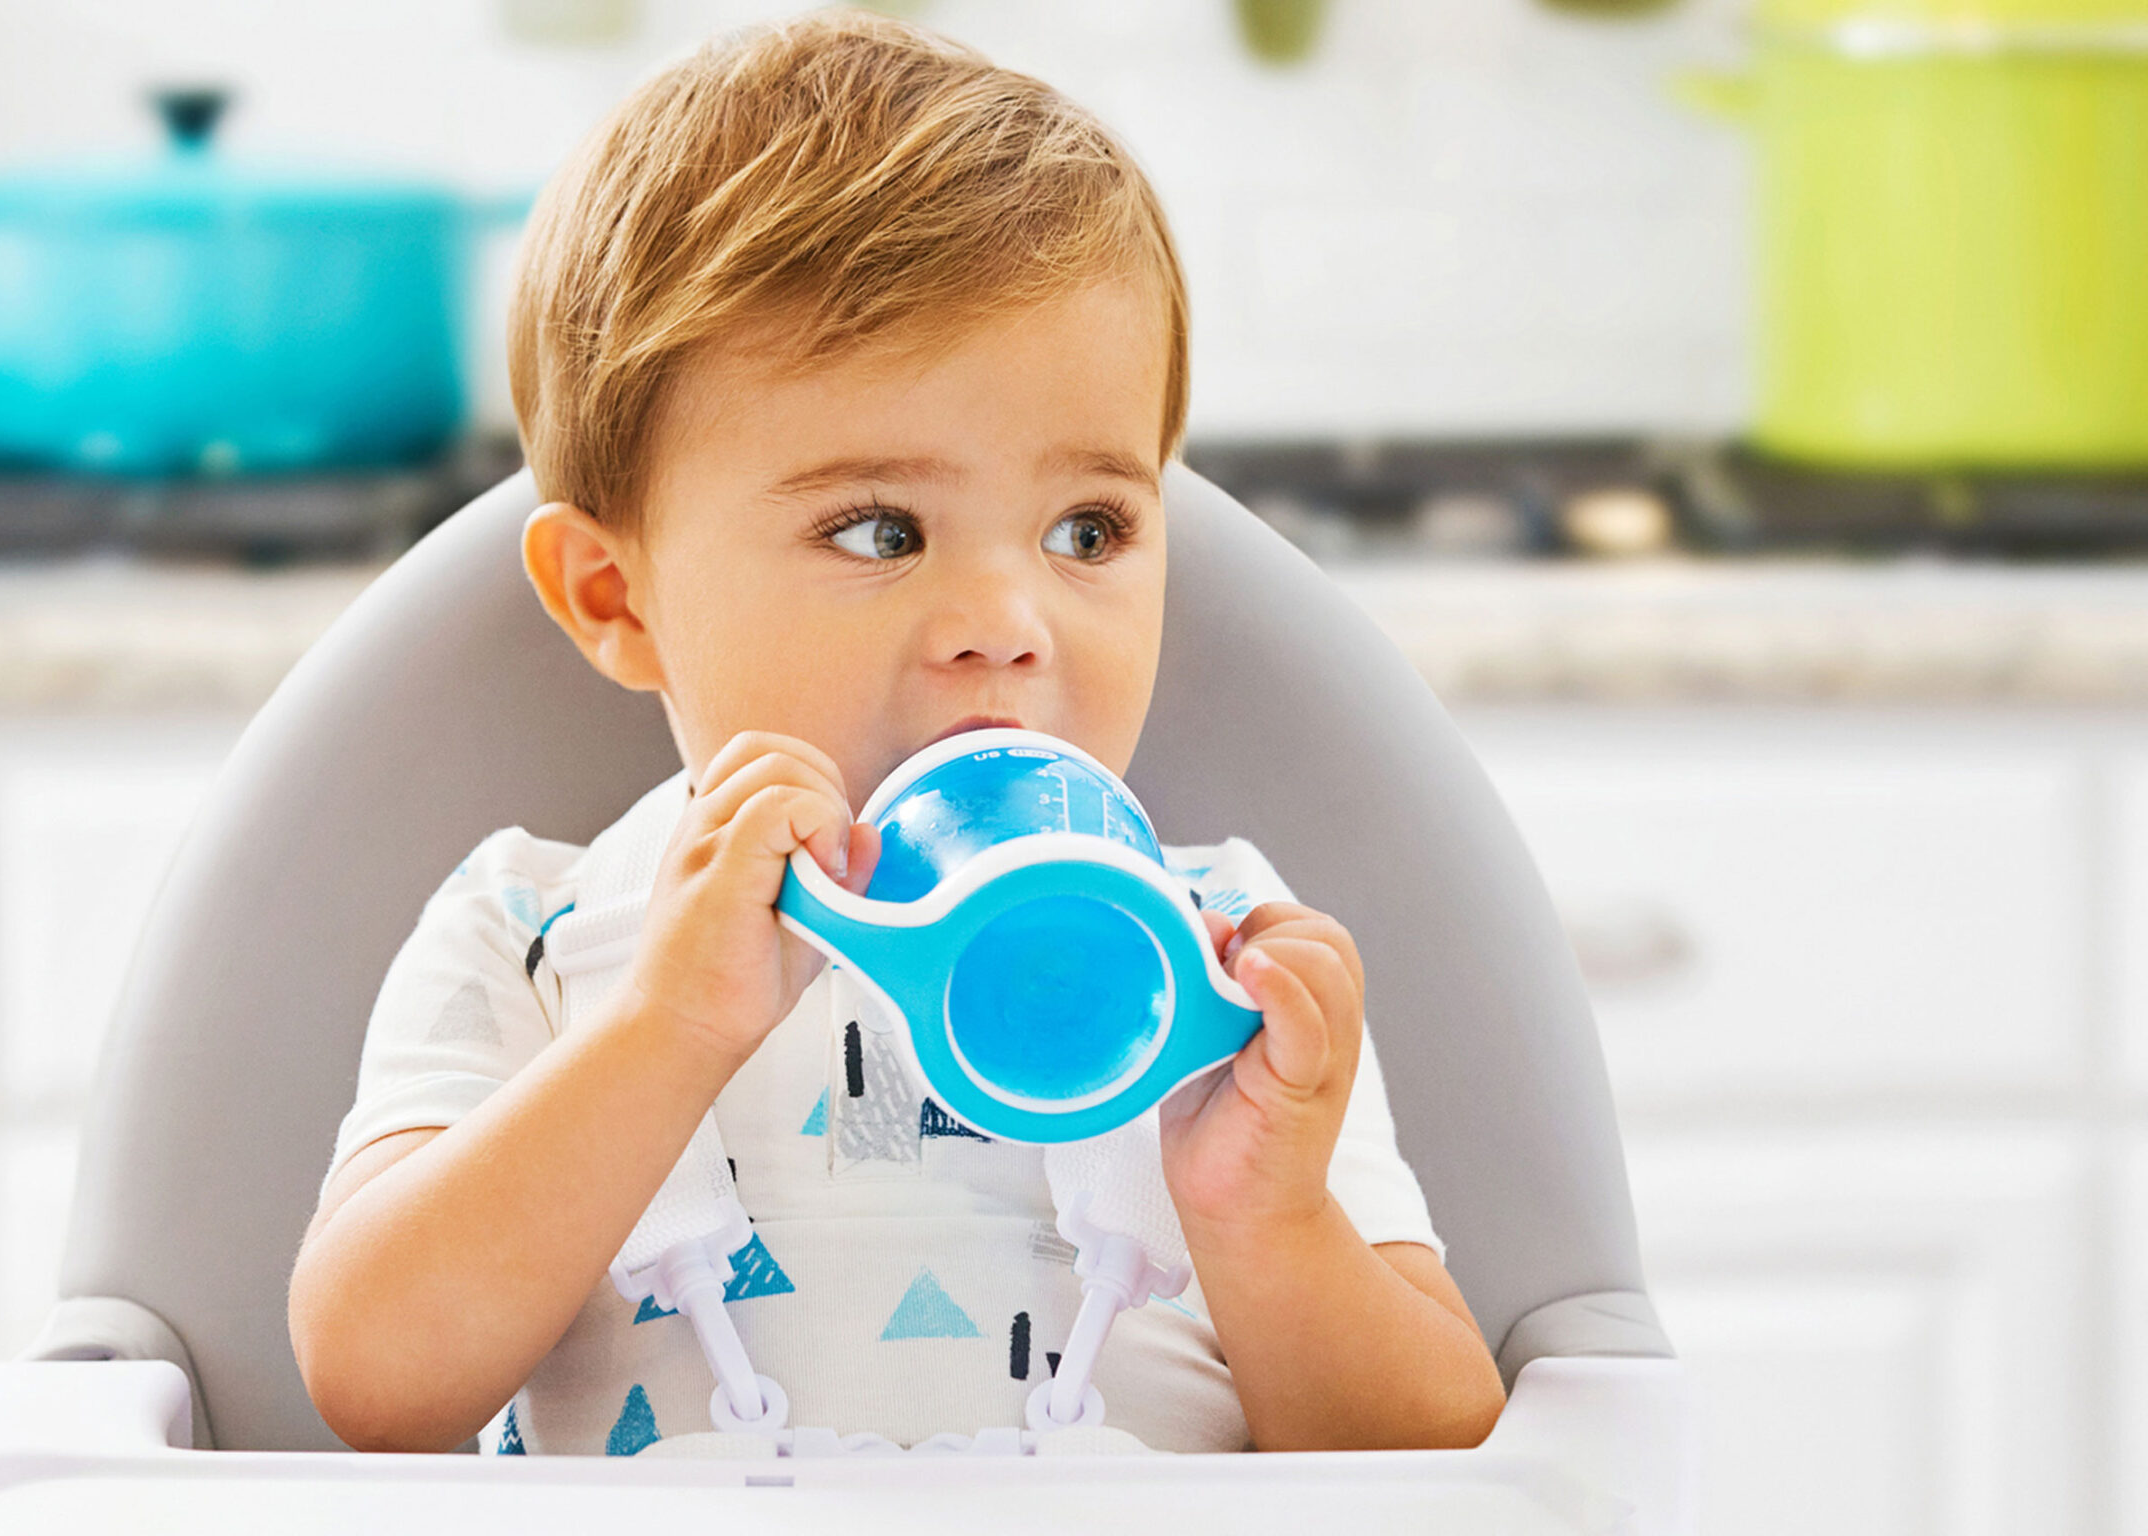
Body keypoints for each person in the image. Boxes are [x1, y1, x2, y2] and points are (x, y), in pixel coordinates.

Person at [287, 8, 1505, 1457]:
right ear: (615, 597)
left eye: (1086, 528)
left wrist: (1270, 1215)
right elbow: (372, 1375)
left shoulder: (1226, 963)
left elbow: (1434, 1457)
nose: (1006, 619)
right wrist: (665, 1031)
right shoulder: (537, 936)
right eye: (880, 530)